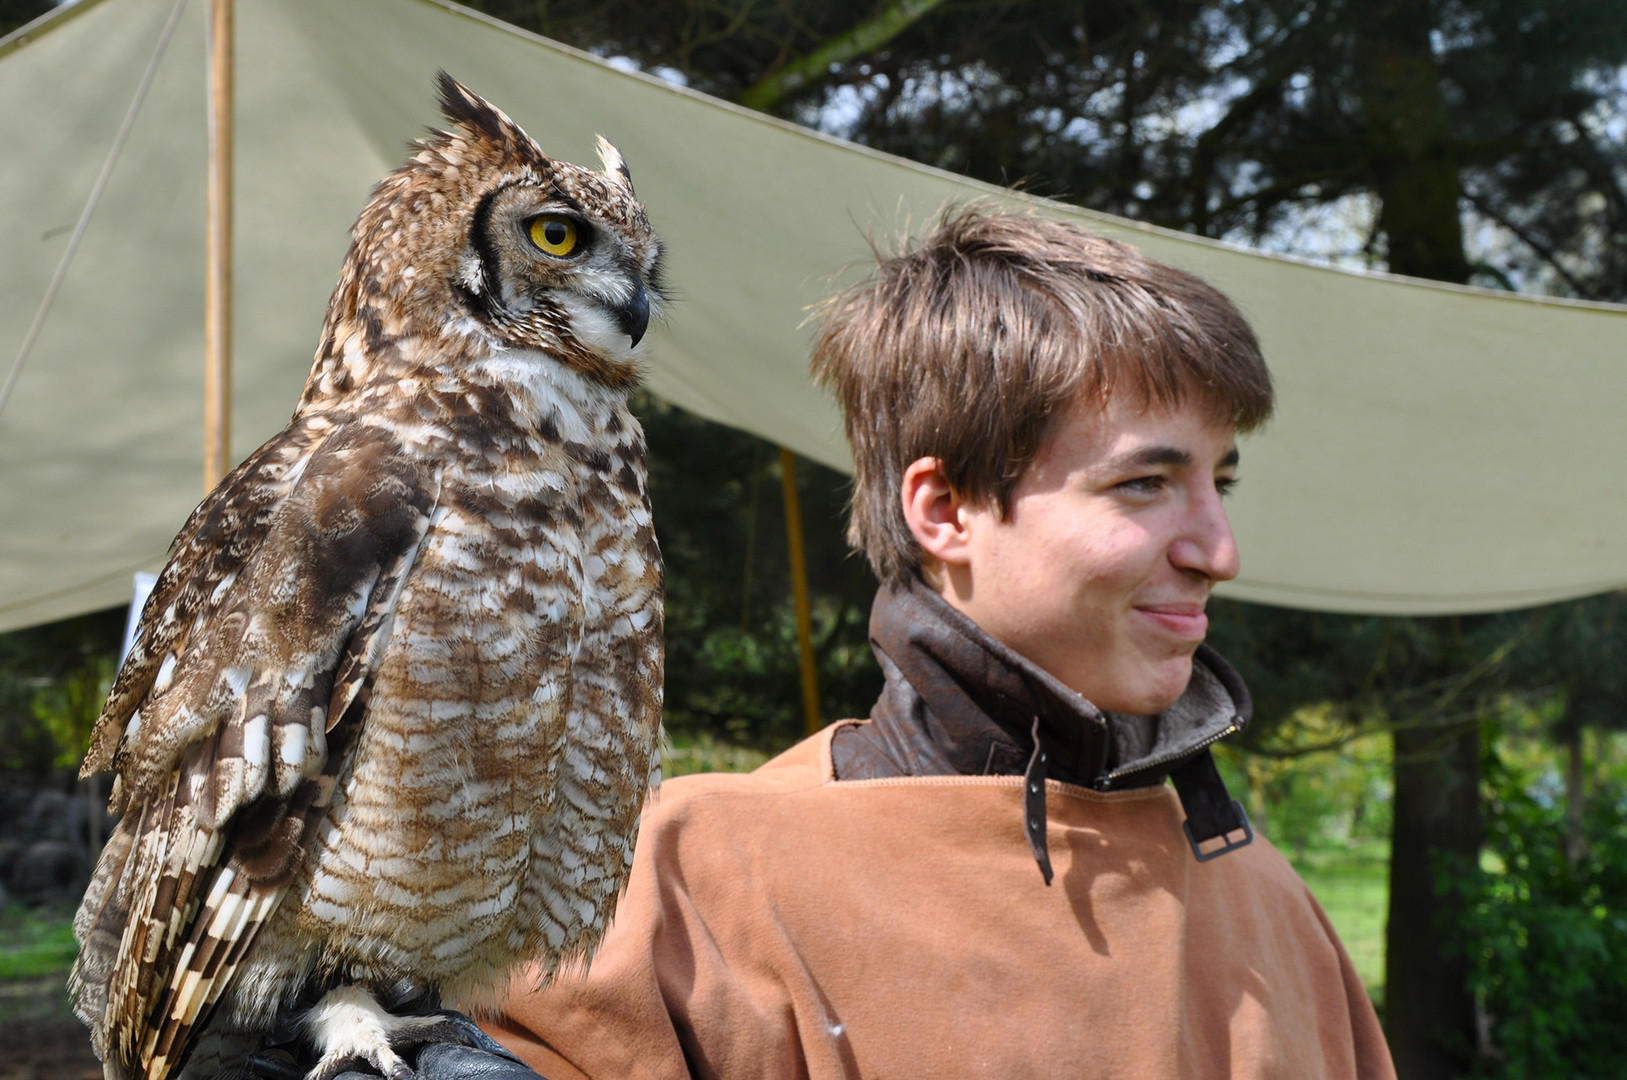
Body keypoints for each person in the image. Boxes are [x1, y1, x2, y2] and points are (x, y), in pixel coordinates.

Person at [476, 207, 1396, 1079]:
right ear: (945, 510)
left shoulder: (1266, 900)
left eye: (1218, 485)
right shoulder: (679, 888)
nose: (1219, 553)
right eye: (1143, 484)